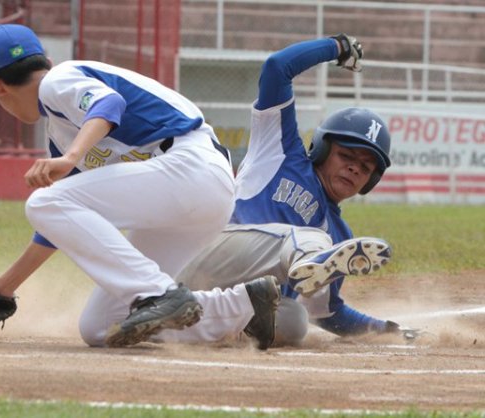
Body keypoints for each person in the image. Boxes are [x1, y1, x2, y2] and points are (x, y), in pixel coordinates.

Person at [0, 26, 393, 351]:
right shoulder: (63, 124)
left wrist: (71, 159)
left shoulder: (58, 83)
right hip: (189, 201)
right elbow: (57, 226)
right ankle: (240, 304)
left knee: (46, 199)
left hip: (192, 167)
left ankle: (161, 293)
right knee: (99, 327)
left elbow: (108, 103)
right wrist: (2, 291)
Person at [177, 34, 417, 346]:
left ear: (370, 181)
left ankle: (180, 322)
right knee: (310, 240)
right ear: (320, 148)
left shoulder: (340, 237)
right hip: (208, 253)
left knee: (294, 320)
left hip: (216, 296)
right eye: (347, 155)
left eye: (366, 167)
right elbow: (278, 68)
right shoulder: (281, 152)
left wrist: (389, 330)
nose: (355, 168)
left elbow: (330, 313)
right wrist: (337, 47)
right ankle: (303, 255)